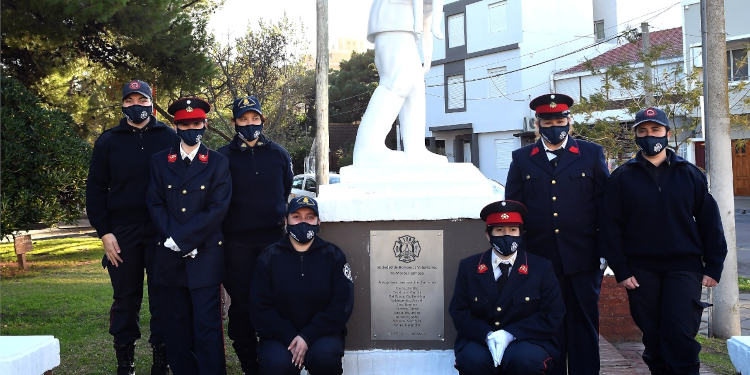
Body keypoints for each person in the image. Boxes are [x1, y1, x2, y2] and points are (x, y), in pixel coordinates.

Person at [603, 107, 727, 375]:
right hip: (641, 271)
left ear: (667, 133)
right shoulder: (622, 178)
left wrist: (713, 266)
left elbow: (710, 223)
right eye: (643, 131)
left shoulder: (690, 174)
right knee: (654, 339)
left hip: (684, 268)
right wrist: (621, 270)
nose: (650, 136)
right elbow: (610, 228)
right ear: (635, 135)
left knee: (681, 336)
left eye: (656, 130)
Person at [504, 93, 609, 374]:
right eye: (547, 121)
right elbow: (514, 213)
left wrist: (604, 252)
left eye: (560, 120)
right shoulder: (522, 159)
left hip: (584, 260)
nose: (554, 126)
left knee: (584, 327)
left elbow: (606, 208)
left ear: (570, 123)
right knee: (548, 327)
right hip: (541, 261)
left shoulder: (591, 154)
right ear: (537, 124)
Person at [86, 79, 176, 375]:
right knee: (125, 299)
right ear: (122, 104)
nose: (135, 105)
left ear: (152, 101)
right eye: (129, 101)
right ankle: (125, 362)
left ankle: (161, 362)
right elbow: (96, 190)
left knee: (163, 297)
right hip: (122, 233)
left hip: (162, 230)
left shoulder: (169, 136)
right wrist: (105, 233)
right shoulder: (108, 141)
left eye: (141, 100)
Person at [146, 97, 232, 375]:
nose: (190, 128)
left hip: (204, 256)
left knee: (207, 327)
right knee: (176, 326)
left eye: (196, 123)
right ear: (176, 126)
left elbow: (218, 208)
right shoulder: (160, 161)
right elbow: (155, 202)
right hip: (169, 256)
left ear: (205, 124)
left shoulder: (218, 163)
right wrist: (173, 238)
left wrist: (186, 241)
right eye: (184, 124)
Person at [218, 95, 293, 375]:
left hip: (273, 240)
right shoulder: (223, 157)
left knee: (273, 300)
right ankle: (250, 365)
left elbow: (283, 192)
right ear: (235, 122)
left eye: (254, 118)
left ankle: (273, 360)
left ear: (262, 119)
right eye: (243, 119)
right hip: (236, 244)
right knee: (242, 305)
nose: (250, 124)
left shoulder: (279, 155)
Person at [450, 200, 565, 375]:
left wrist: (510, 334)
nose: (506, 236)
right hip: (482, 339)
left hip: (528, 339)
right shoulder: (470, 267)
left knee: (523, 360)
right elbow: (459, 311)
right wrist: (487, 335)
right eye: (499, 230)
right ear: (488, 235)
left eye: (512, 230)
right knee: (473, 360)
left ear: (521, 233)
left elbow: (554, 314)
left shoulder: (541, 268)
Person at [250, 196, 354, 375]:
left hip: (322, 334)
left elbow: (342, 305)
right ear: (286, 221)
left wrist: (307, 336)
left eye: (309, 217)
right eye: (296, 216)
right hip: (279, 336)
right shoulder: (269, 257)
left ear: (318, 221)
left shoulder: (334, 256)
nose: (303, 222)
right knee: (277, 364)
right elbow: (260, 307)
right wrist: (290, 336)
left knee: (325, 358)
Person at [353, 0, 446, 165]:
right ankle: (368, 149)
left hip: (404, 27)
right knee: (397, 83)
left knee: (415, 87)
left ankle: (416, 150)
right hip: (393, 21)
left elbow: (426, 13)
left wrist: (427, 50)